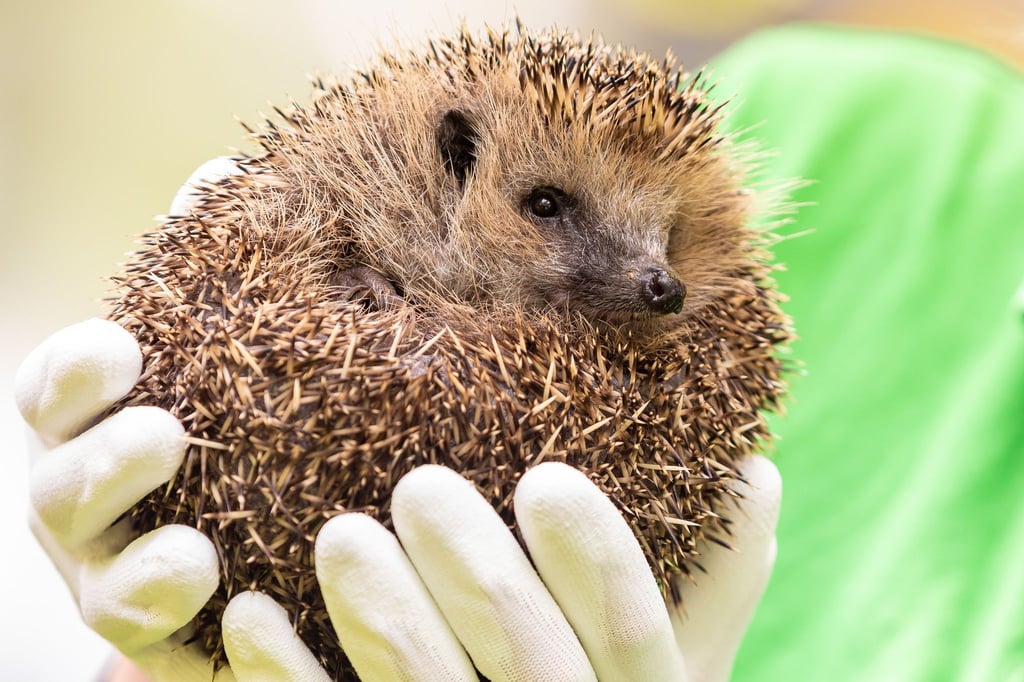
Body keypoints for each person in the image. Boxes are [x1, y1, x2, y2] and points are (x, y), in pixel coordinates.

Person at [19, 22, 1024, 681]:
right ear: (450, 159)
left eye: (666, 243)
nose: (650, 277)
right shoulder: (849, 125)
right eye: (548, 208)